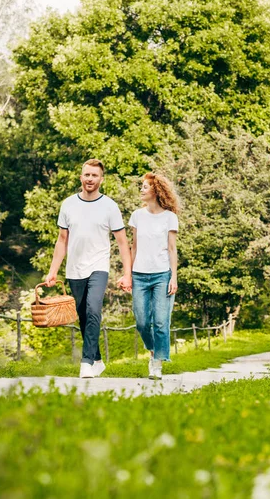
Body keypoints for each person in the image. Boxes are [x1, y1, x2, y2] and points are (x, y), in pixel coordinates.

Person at [45, 159, 132, 378]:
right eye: (87, 175)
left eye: (94, 175)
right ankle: (97, 360)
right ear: (81, 177)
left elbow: (122, 242)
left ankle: (85, 363)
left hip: (98, 267)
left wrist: (127, 273)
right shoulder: (68, 204)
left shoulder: (110, 206)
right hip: (74, 269)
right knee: (84, 316)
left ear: (101, 179)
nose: (90, 179)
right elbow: (62, 240)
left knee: (94, 309)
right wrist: (53, 270)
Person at [129, 173, 179, 380]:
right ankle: (153, 349)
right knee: (141, 322)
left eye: (145, 187)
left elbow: (172, 248)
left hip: (162, 275)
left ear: (156, 191)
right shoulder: (137, 216)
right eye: (141, 186)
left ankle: (157, 363)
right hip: (139, 275)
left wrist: (173, 277)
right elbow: (134, 246)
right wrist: (128, 274)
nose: (141, 190)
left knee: (160, 321)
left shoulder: (170, 217)